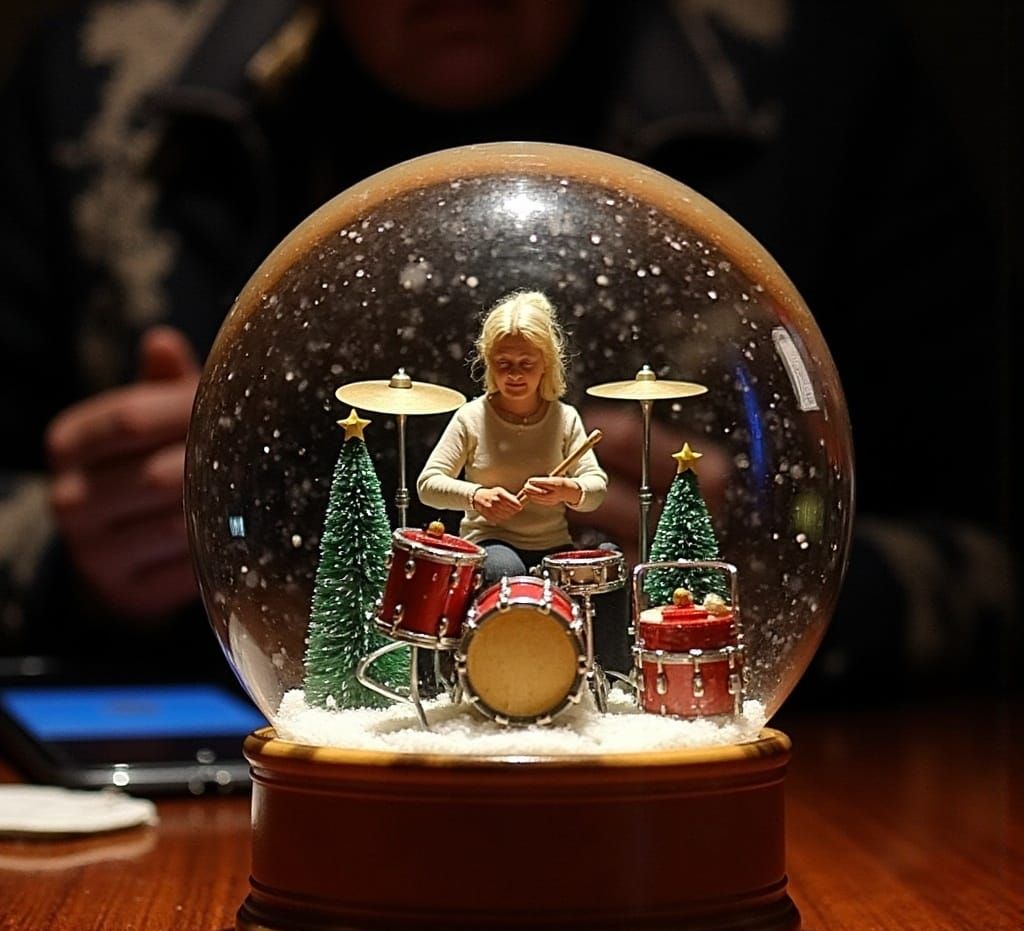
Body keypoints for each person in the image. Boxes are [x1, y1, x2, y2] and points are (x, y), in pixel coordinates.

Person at [0, 0, 1014, 700]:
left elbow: (993, 555)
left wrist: (758, 545)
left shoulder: (822, 74)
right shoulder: (94, 81)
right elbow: (435, 486)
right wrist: (65, 553)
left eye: (528, 365)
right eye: (505, 366)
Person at [417, 290, 608, 584]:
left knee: (603, 567)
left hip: (553, 546)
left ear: (546, 363)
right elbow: (428, 485)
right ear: (488, 361)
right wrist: (476, 496)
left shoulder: (564, 417)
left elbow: (596, 488)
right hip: (489, 542)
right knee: (504, 572)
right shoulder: (471, 417)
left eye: (526, 363)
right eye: (503, 363)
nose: (515, 375)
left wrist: (568, 490)